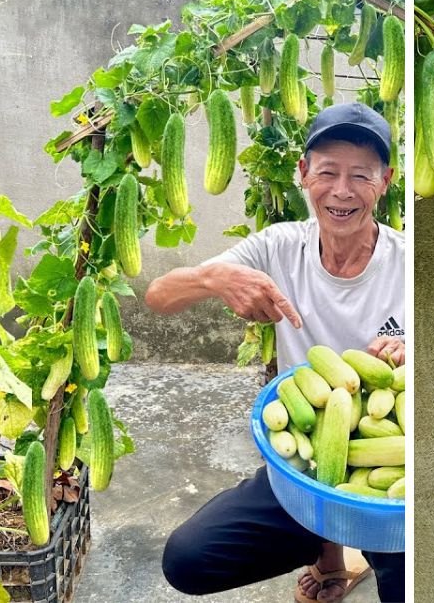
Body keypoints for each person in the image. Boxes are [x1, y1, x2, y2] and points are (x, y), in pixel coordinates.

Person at [146, 102, 406, 602]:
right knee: (189, 561)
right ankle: (328, 554)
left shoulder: (406, 263)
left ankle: (362, 555)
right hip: (305, 463)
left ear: (386, 181)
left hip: (386, 481)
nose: (342, 191)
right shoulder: (278, 247)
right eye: (327, 172)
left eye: (360, 176)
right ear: (304, 174)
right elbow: (158, 295)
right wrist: (212, 277)